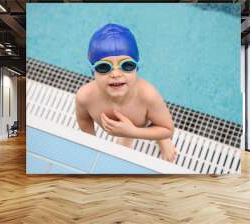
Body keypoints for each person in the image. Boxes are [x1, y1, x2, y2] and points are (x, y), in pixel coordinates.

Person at [75, 23, 177, 162]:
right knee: (122, 152)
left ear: (137, 66)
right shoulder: (85, 97)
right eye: (104, 67)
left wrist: (132, 131)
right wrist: (92, 144)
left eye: (127, 65)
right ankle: (126, 137)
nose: (116, 74)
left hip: (144, 124)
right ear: (92, 70)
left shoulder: (148, 96)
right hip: (126, 129)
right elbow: (84, 121)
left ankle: (161, 140)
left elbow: (167, 129)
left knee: (158, 128)